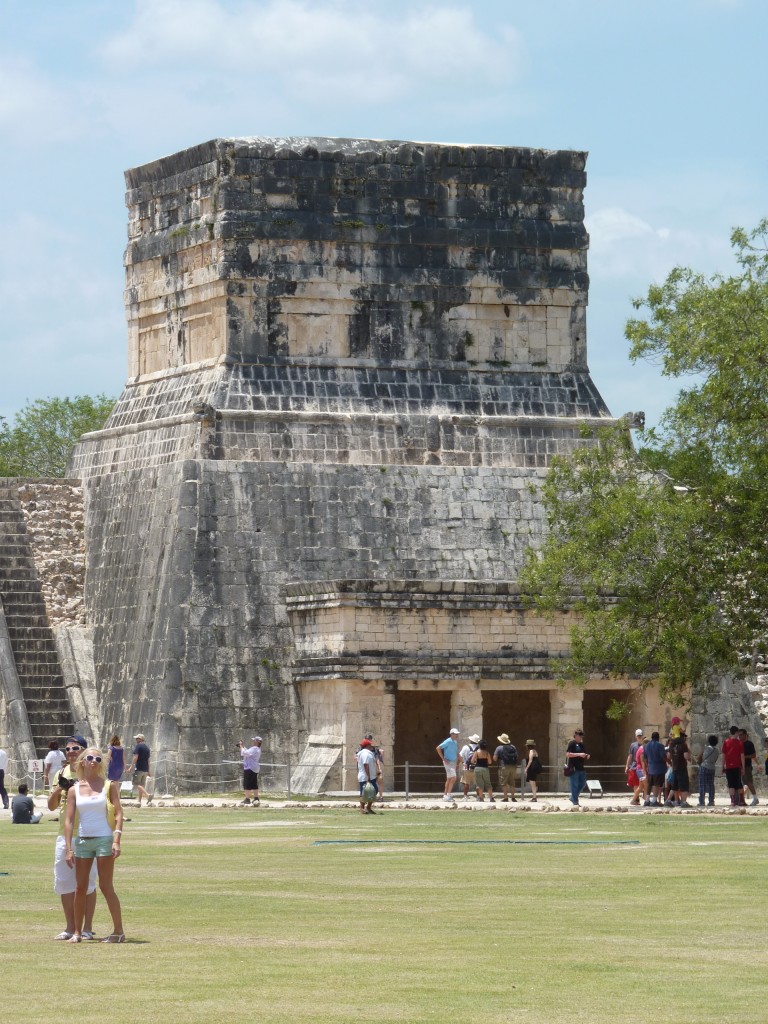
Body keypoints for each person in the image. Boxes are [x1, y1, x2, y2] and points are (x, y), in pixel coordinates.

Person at [64, 746, 125, 943]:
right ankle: (77, 932)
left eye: (98, 759)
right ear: (82, 761)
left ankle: (118, 931)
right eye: (89, 758)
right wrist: (68, 848)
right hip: (83, 840)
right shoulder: (74, 789)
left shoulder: (109, 785)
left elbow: (118, 813)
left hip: (105, 839)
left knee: (106, 886)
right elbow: (69, 820)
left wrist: (116, 839)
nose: (93, 761)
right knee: (80, 887)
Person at [47, 735, 98, 940]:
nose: (70, 752)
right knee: (64, 882)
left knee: (88, 884)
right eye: (67, 749)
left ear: (84, 750)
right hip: (65, 835)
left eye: (75, 748)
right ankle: (69, 927)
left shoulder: (93, 771)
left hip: (88, 833)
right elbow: (51, 806)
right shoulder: (60, 773)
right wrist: (61, 787)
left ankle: (86, 927)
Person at [721, 725, 745, 807]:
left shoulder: (726, 742)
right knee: (738, 784)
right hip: (737, 766)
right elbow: (742, 756)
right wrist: (743, 768)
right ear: (736, 732)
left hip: (728, 767)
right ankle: (741, 800)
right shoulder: (740, 743)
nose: (739, 734)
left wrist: (722, 766)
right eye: (738, 732)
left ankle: (733, 801)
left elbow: (723, 755)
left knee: (731, 784)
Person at [565, 729, 589, 806]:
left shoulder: (582, 745)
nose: (581, 737)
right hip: (574, 768)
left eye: (582, 736)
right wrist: (579, 754)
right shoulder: (572, 743)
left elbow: (583, 754)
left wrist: (586, 756)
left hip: (581, 768)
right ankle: (575, 801)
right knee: (574, 785)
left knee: (583, 784)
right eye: (580, 736)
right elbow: (568, 754)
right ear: (576, 736)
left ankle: (573, 797)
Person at [668, 729, 691, 806]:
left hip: (674, 767)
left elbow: (668, 755)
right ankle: (684, 802)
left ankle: (668, 801)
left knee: (675, 785)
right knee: (684, 784)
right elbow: (686, 756)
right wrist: (689, 755)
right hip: (682, 767)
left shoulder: (671, 744)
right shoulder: (683, 745)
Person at [436, 728, 461, 802]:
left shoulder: (455, 742)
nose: (457, 735)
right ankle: (449, 795)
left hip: (452, 762)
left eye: (457, 734)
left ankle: (445, 795)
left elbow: (457, 753)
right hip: (448, 762)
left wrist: (459, 761)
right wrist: (443, 758)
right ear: (451, 734)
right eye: (455, 734)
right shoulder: (448, 741)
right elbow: (438, 748)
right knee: (453, 778)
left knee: (449, 779)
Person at [643, 731, 667, 806]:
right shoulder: (660, 746)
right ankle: (654, 801)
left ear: (651, 737)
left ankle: (647, 800)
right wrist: (669, 761)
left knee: (650, 784)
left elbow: (645, 758)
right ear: (658, 738)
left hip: (650, 768)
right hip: (659, 768)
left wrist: (647, 766)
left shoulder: (646, 746)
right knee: (657, 784)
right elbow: (663, 756)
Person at [493, 733, 519, 802]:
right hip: (513, 766)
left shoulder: (499, 748)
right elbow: (517, 756)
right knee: (512, 782)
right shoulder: (513, 747)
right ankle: (513, 797)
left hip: (504, 766)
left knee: (504, 783)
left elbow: (495, 758)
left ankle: (505, 797)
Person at [129, 733, 153, 806]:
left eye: (137, 738)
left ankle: (147, 795)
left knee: (137, 784)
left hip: (139, 768)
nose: (136, 739)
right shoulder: (147, 748)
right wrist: (149, 771)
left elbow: (135, 756)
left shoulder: (138, 746)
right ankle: (139, 801)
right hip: (145, 769)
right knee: (141, 785)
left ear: (141, 739)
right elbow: (148, 760)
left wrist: (131, 766)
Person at [238, 735, 262, 805]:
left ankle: (247, 799)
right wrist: (243, 746)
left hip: (250, 767)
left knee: (247, 783)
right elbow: (248, 752)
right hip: (255, 768)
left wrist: (241, 747)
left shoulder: (254, 748)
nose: (253, 741)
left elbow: (244, 753)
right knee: (254, 783)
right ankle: (256, 798)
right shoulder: (258, 749)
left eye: (254, 740)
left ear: (257, 742)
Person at [356, 738, 378, 814]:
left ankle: (368, 807)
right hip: (366, 777)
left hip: (371, 776)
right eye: (370, 744)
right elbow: (366, 765)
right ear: (367, 745)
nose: (371, 746)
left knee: (374, 790)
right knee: (364, 792)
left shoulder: (367, 753)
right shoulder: (365, 753)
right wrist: (368, 777)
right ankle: (362, 808)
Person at [697, 734, 719, 807]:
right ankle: (711, 801)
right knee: (711, 785)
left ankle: (702, 801)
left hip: (704, 766)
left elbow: (699, 756)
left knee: (702, 785)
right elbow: (715, 760)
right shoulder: (717, 751)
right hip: (712, 767)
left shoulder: (706, 748)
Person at [739, 729, 759, 806]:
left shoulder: (749, 744)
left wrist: (744, 757)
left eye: (741, 735)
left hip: (747, 766)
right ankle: (742, 799)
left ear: (745, 735)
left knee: (749, 782)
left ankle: (755, 798)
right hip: (740, 766)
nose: (739, 736)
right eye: (739, 735)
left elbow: (753, 755)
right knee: (744, 783)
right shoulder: (739, 744)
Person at [458, 733, 480, 800]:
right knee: (478, 783)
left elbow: (460, 755)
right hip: (476, 768)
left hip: (466, 767)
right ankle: (478, 796)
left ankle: (465, 796)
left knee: (466, 783)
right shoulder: (479, 748)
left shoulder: (466, 747)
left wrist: (462, 762)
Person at [625, 729, 643, 805]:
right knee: (636, 784)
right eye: (638, 736)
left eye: (640, 736)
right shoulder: (633, 745)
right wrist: (627, 766)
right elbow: (630, 756)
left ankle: (636, 798)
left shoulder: (643, 745)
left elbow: (630, 756)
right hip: (635, 766)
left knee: (639, 784)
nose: (639, 737)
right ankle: (636, 799)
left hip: (640, 767)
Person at [0, 745, 8, 809]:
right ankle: (6, 802)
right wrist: (4, 770)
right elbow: (6, 762)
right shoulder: (4, 753)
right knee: (2, 788)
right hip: (1, 770)